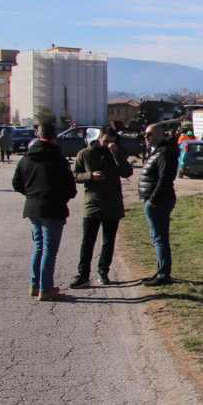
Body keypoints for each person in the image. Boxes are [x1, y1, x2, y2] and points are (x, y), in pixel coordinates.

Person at [12, 119, 77, 300]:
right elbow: (71, 188)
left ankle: (35, 284)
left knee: (39, 246)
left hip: (33, 208)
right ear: (54, 137)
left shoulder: (26, 159)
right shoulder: (58, 160)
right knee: (49, 249)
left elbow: (16, 183)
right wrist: (63, 197)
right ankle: (46, 288)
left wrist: (31, 194)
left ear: (38, 135)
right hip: (53, 208)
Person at [70, 126, 134, 288]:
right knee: (88, 242)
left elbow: (127, 172)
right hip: (92, 204)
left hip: (113, 204)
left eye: (112, 142)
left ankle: (103, 271)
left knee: (108, 241)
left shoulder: (117, 153)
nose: (108, 145)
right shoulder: (85, 153)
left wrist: (116, 153)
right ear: (99, 138)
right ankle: (83, 275)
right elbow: (75, 175)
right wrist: (90, 176)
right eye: (106, 141)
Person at [139, 123, 179, 286]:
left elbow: (165, 178)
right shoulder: (158, 151)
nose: (146, 137)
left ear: (160, 135)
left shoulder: (165, 153)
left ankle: (163, 274)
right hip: (156, 201)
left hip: (159, 202)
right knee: (158, 237)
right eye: (145, 134)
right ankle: (161, 271)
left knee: (159, 238)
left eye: (149, 134)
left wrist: (153, 200)